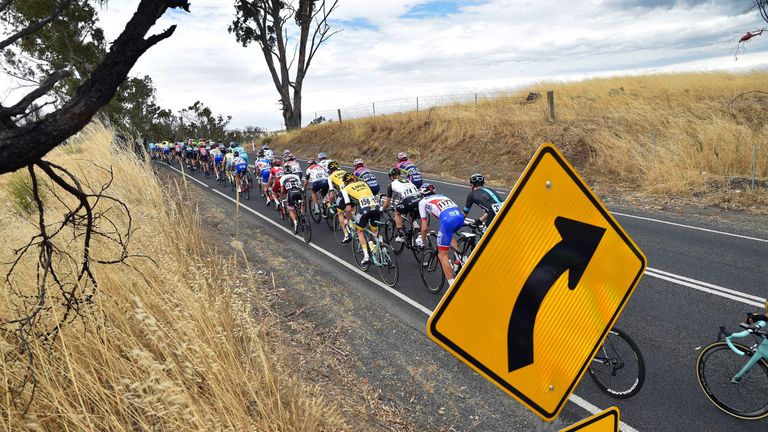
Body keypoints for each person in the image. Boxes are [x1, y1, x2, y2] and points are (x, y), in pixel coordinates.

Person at [416, 183, 464, 287]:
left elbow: (424, 227)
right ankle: (462, 259)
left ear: (422, 194)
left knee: (442, 254)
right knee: (449, 235)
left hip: (448, 220)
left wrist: (422, 239)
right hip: (459, 217)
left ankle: (452, 286)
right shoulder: (442, 196)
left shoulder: (422, 202)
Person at [341, 171, 382, 265]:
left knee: (360, 231)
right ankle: (381, 247)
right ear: (354, 179)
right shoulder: (363, 183)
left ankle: (366, 256)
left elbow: (348, 209)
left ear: (345, 182)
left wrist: (349, 220)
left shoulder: (345, 188)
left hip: (365, 209)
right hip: (376, 206)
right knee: (374, 230)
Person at [381, 168, 421, 242]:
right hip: (419, 200)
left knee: (397, 212)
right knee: (411, 216)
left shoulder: (391, 184)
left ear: (391, 177)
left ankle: (401, 234)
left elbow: (387, 203)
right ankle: (419, 234)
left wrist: (382, 209)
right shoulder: (407, 180)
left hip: (409, 200)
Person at [326, 160, 352, 242]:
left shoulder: (330, 177)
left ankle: (346, 234)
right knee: (352, 210)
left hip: (344, 193)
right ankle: (354, 224)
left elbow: (332, 195)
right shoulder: (344, 171)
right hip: (353, 191)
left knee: (340, 212)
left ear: (330, 170)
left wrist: (328, 202)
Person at [280, 164, 305, 232]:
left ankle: (295, 222)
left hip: (290, 193)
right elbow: (300, 186)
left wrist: (281, 197)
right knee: (301, 203)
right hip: (298, 192)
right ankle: (302, 215)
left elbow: (282, 191)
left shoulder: (282, 178)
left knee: (290, 209)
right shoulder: (296, 176)